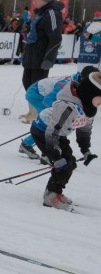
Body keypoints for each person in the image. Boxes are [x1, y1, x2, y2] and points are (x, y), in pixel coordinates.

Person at [30, 70, 100, 211]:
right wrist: (55, 156)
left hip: (57, 134)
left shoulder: (89, 108)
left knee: (70, 162)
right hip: (43, 131)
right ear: (90, 93)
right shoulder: (67, 107)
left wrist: (86, 150)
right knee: (63, 163)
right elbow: (52, 132)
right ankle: (50, 196)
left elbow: (84, 131)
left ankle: (56, 192)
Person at [18, 67, 95, 162]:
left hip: (45, 93)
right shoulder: (66, 85)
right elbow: (47, 100)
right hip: (36, 94)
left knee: (56, 122)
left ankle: (36, 145)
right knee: (49, 122)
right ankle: (37, 149)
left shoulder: (81, 84)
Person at [20, 0, 63, 124]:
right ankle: (31, 111)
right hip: (32, 56)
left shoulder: (52, 14)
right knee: (27, 82)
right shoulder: (40, 13)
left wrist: (50, 58)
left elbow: (55, 38)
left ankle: (38, 113)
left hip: (41, 57)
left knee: (38, 86)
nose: (34, 2)